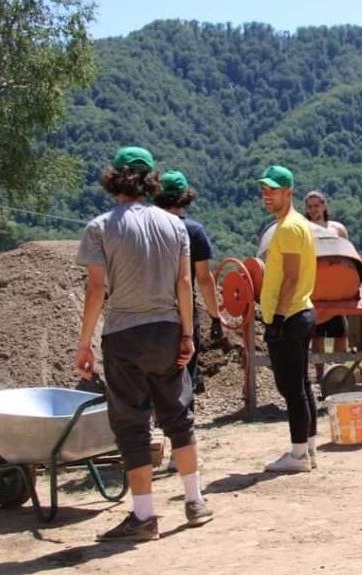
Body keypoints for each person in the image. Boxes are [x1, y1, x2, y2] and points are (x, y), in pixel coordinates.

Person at [75, 147, 212, 542]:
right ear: (151, 179)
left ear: (115, 177)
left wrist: (84, 343)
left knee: (133, 426)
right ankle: (195, 501)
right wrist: (187, 335)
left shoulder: (101, 226)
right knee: (178, 415)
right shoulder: (175, 227)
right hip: (168, 330)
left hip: (123, 334)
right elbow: (184, 284)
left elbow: (96, 288)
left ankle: (144, 516)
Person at [154, 170, 223, 472]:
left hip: (148, 314)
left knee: (150, 381)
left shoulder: (147, 228)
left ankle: (150, 443)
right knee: (183, 382)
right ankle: (178, 454)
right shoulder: (193, 231)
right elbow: (204, 280)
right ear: (185, 197)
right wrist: (215, 314)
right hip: (182, 316)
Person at [257, 165, 320, 473]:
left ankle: (297, 456)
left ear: (288, 192)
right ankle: (307, 449)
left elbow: (291, 278)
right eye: (264, 190)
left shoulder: (290, 227)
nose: (267, 195)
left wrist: (277, 319)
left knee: (291, 387)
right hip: (298, 313)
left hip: (292, 314)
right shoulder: (292, 224)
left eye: (273, 190)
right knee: (301, 385)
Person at [304, 189, 349, 382]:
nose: (314, 209)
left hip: (336, 285)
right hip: (313, 285)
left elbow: (348, 253)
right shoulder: (303, 229)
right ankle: (321, 376)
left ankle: (338, 373)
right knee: (317, 334)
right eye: (310, 206)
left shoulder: (337, 228)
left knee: (340, 332)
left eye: (317, 205)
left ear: (324, 205)